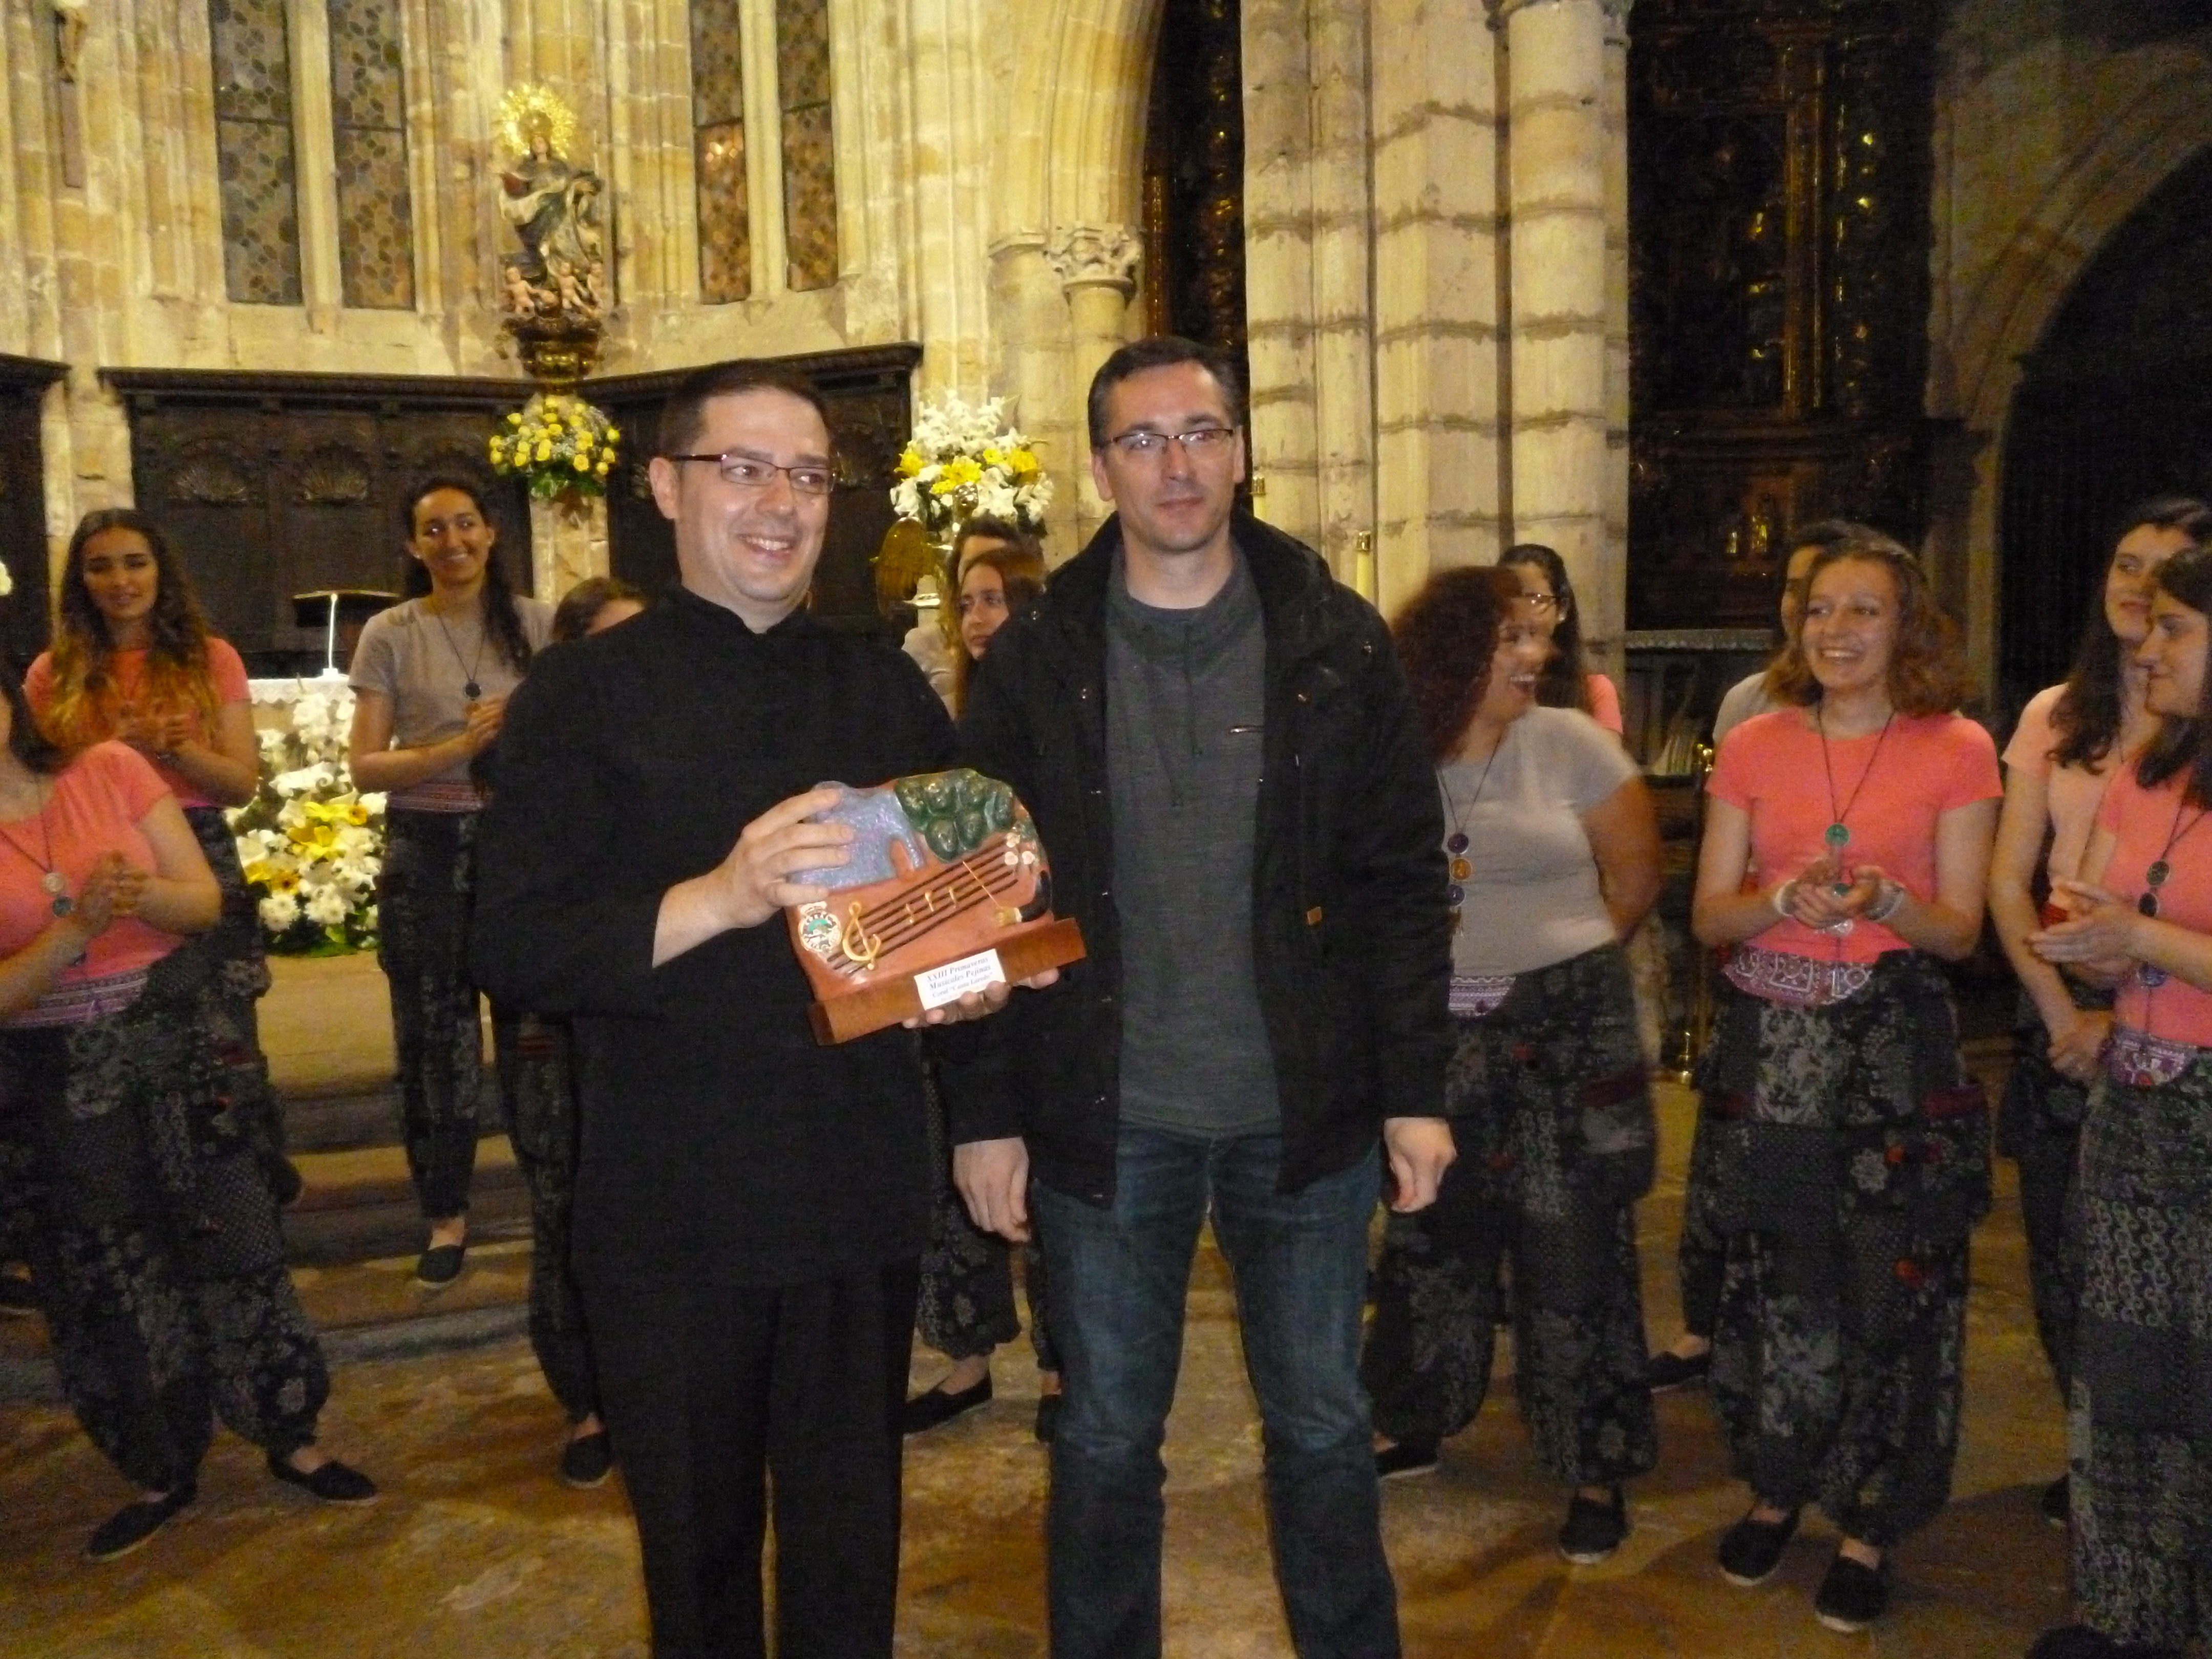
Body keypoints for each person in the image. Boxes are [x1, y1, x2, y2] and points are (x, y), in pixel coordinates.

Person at [472, 362, 1029, 1659]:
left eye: (808, 474)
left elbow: (950, 947)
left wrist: (988, 1002)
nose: (782, 501)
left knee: (849, 1550)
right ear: (667, 488)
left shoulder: (884, 691)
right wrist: (719, 897)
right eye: (745, 468)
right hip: (672, 1207)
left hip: (852, 1188)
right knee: (699, 1561)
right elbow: (513, 944)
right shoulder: (581, 696)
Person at [944, 335, 1457, 1659]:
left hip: (1304, 1108)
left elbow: (1403, 881)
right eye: (1143, 440)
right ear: (1099, 468)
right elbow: (974, 905)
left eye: (1201, 434)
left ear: (1240, 451)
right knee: (1106, 1439)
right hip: (1106, 1113)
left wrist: (1416, 1091)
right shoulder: (1038, 653)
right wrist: (984, 1114)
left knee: (1325, 1430)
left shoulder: (1335, 636)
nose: (1176, 465)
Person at [1688, 526, 1999, 1633]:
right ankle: (1777, 1486)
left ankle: (1870, 1519)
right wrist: (1780, 900)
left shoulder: (1958, 746)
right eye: (1821, 608)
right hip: (1773, 1045)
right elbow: (1709, 914)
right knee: (1779, 1275)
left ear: (1907, 624)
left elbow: (1961, 933)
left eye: (1864, 609)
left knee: (1890, 1282)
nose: (1837, 629)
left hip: (1891, 1051)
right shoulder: (1755, 741)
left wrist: (1885, 900)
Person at [0, 663, 373, 1561]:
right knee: (109, 1275)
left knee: (238, 1239)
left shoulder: (107, 766)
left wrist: (134, 898)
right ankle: (161, 1467)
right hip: (58, 1077)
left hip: (177, 1040)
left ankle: (291, 1432)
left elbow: (204, 903)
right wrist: (75, 932)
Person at [1360, 564, 1663, 1563]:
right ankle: (1414, 1418)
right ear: (1454, 654)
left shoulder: (1571, 743)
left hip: (1562, 1031)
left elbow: (1635, 880)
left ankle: (1593, 1466)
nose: (1538, 655)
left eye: (1539, 637)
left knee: (1572, 1247)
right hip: (1441, 1032)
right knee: (1430, 1234)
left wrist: (1549, 973)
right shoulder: (1396, 755)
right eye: (1512, 641)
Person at [1990, 498, 2212, 1530]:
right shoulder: (2115, 754)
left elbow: (2146, 929)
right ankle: (2125, 1529)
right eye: (2131, 571)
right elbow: (2053, 898)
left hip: (2174, 1060)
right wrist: (2078, 999)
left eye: (2175, 615)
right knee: (2106, 1309)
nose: (2148, 625)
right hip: (2113, 1051)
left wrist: (2134, 955)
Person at [26, 509, 292, 1206]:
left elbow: (239, 783)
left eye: (135, 563)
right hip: (103, 859)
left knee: (227, 1028)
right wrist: (102, 752)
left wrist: (176, 749)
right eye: (101, 567)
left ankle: (249, 1183)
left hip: (195, 845)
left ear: (161, 571)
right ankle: (153, 1190)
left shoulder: (211, 657)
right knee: (130, 1028)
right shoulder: (55, 671)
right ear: (81, 582)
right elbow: (31, 779)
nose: (121, 580)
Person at [1651, 519, 1854, 1394]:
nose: (1812, 616)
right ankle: (1712, 1327)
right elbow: (1720, 862)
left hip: (1856, 989)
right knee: (1730, 1171)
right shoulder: (1749, 707)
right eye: (1800, 595)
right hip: (1761, 965)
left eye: (1837, 600)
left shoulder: (1924, 732)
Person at [348, 477, 554, 1288]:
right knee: (435, 1039)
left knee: (536, 1032)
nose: (453, 541)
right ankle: (446, 1213)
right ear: (413, 544)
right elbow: (366, 767)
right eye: (434, 529)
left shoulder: (538, 624)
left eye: (465, 524)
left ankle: (553, 1199)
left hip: (518, 844)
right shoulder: (391, 632)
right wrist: (454, 750)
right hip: (425, 846)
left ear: (491, 532)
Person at [489, 573, 647, 1490]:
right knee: (565, 1205)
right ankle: (587, 1399)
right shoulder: (543, 743)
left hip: (645, 1029)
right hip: (556, 1027)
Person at [904, 528, 1062, 1438]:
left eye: (995, 598)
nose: (975, 617)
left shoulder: (1057, 707)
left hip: (1044, 980)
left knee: (1045, 1185)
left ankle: (1059, 1369)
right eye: (966, 601)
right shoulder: (942, 712)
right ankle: (966, 1359)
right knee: (956, 1182)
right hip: (960, 978)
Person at [1499, 542, 1624, 737]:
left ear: (1562, 608)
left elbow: (1606, 756)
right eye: (1508, 598)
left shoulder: (1593, 691)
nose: (1520, 613)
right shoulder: (1487, 688)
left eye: (1534, 600)